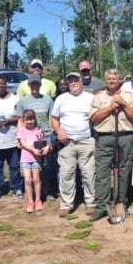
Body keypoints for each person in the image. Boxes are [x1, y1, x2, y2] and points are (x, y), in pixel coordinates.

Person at [89, 69, 133, 222]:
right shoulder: (98, 97)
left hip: (125, 137)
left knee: (124, 171)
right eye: (109, 78)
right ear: (106, 80)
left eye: (114, 78)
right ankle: (102, 207)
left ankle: (122, 203)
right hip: (105, 137)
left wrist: (123, 104)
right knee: (102, 172)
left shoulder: (128, 96)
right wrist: (110, 108)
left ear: (119, 80)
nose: (111, 81)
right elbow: (94, 118)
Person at [50, 72, 96, 218]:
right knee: (66, 173)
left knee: (88, 173)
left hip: (86, 141)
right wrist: (58, 132)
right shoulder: (61, 99)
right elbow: (54, 118)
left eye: (76, 80)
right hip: (66, 142)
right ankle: (66, 204)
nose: (73, 83)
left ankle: (91, 203)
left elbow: (97, 117)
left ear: (81, 81)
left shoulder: (90, 98)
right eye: (70, 81)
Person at [14, 74, 56, 201]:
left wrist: (52, 133)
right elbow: (20, 120)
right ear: (29, 85)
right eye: (32, 83)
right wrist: (20, 139)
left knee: (47, 164)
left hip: (46, 134)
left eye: (37, 83)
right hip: (29, 136)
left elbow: (51, 117)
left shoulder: (48, 99)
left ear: (40, 85)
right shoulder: (23, 101)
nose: (35, 86)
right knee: (31, 163)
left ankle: (46, 190)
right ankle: (32, 192)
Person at [17, 109, 52, 213]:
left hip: (36, 158)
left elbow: (44, 142)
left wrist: (46, 148)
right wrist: (33, 150)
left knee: (36, 179)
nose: (29, 121)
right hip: (25, 159)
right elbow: (22, 143)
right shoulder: (22, 131)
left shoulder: (39, 130)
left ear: (34, 119)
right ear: (24, 120)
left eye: (31, 119)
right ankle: (30, 201)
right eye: (27, 119)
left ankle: (38, 200)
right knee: (28, 180)